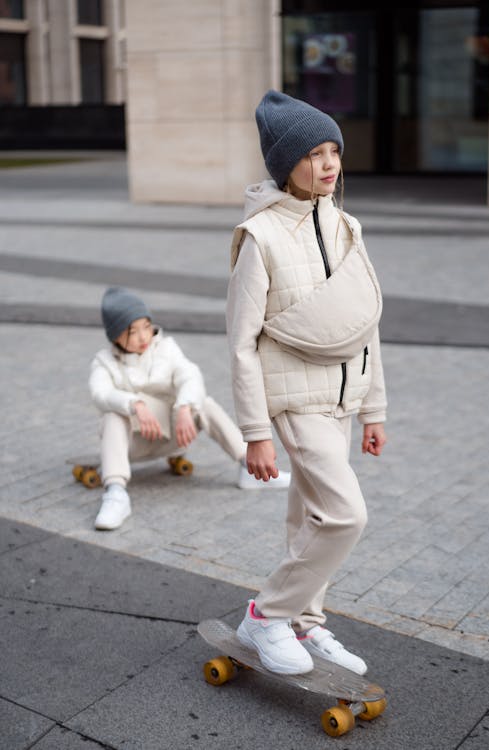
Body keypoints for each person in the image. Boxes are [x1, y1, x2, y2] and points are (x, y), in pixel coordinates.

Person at [226, 90, 387, 676]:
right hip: (295, 402)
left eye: (333, 151)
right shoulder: (260, 238)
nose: (328, 163)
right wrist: (254, 433)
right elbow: (242, 342)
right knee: (347, 516)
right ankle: (266, 616)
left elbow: (363, 321)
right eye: (313, 153)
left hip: (344, 398)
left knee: (310, 520)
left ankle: (306, 622)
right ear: (284, 164)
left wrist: (375, 410)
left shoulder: (348, 227)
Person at [89, 286, 290, 531]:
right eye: (132, 331)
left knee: (203, 402)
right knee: (112, 416)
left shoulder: (166, 348)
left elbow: (190, 375)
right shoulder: (103, 362)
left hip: (176, 434)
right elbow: (100, 394)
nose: (143, 337)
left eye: (146, 326)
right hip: (134, 444)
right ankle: (116, 493)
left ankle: (250, 470)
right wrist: (135, 405)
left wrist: (185, 407)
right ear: (115, 335)